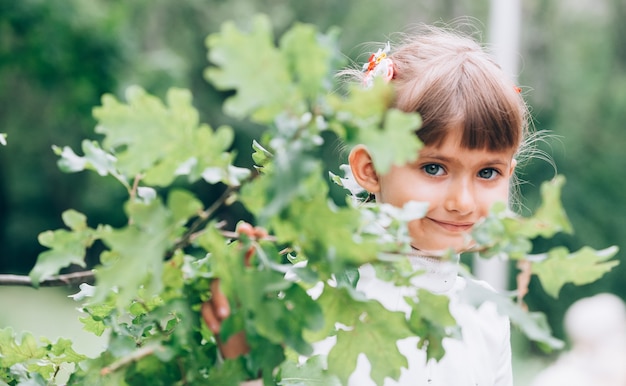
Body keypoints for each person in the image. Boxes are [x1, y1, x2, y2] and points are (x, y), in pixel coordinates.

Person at [204, 24, 531, 385]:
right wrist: (242, 357)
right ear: (370, 169)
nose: (462, 202)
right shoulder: (310, 298)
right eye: (434, 168)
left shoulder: (488, 316)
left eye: (488, 173)